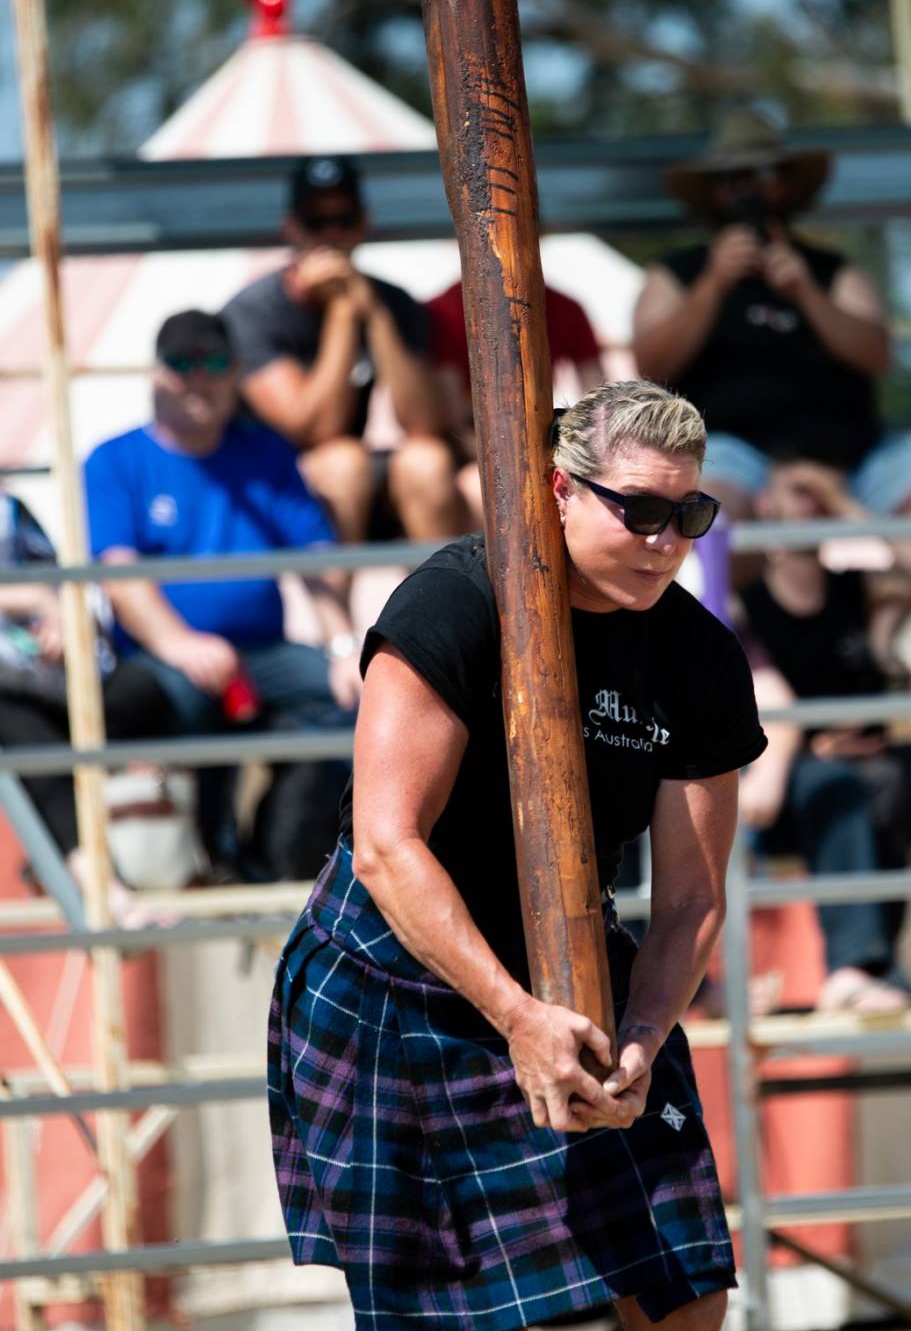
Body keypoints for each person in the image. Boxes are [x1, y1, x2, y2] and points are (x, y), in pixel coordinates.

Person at [267, 381, 766, 1331]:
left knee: (686, 1302)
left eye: (689, 516)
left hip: (574, 964)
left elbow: (692, 899)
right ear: (556, 489)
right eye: (639, 511)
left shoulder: (696, 655)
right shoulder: (457, 603)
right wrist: (516, 1016)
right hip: (404, 987)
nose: (666, 542)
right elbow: (387, 847)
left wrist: (642, 1032)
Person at [84, 309, 361, 881]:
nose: (198, 379)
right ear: (157, 373)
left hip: (262, 656)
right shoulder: (114, 459)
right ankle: (150, 870)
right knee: (136, 705)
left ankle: (288, 866)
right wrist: (182, 645)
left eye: (213, 363)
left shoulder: (267, 453)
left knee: (360, 699)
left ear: (235, 372)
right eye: (182, 363)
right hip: (161, 662)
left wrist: (341, 647)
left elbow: (319, 560)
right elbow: (120, 578)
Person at [632, 108, 911, 520]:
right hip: (731, 455)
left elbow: (878, 355)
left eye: (762, 175)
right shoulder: (677, 275)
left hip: (852, 461)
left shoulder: (833, 272)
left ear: (787, 184)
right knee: (706, 506)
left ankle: (889, 563)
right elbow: (650, 366)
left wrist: (807, 293)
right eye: (731, 178)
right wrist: (713, 285)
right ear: (713, 191)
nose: (747, 190)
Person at [736, 458, 911, 1011]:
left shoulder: (862, 591)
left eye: (819, 494)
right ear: (764, 506)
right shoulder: (746, 606)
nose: (810, 503)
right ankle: (868, 966)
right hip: (799, 771)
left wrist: (848, 507)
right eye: (797, 491)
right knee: (866, 785)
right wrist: (816, 744)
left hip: (878, 759)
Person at [222, 155, 466, 541]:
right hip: (265, 481)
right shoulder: (253, 311)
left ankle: (436, 583)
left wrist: (378, 317)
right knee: (344, 463)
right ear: (291, 227)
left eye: (344, 219)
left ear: (363, 223)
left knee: (427, 461)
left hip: (356, 476)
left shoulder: (392, 302)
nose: (331, 234)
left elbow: (424, 423)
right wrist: (343, 309)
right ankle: (336, 585)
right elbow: (313, 431)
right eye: (316, 222)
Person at [0, 488, 173, 911]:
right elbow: (42, 591)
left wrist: (63, 617)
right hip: (13, 692)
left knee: (147, 692)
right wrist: (36, 598)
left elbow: (65, 581)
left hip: (54, 672)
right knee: (34, 743)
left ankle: (185, 866)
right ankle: (103, 887)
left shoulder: (16, 508)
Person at [426, 275, 606, 524]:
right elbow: (453, 418)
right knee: (482, 488)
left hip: (534, 438)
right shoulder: (444, 310)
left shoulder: (565, 308)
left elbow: (598, 400)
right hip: (472, 447)